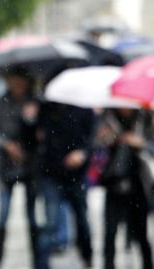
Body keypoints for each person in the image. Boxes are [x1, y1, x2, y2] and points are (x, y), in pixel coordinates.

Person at [0, 67, 39, 269]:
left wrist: (30, 120)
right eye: (14, 81)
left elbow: (40, 134)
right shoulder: (2, 101)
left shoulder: (34, 101)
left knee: (33, 217)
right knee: (2, 215)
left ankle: (38, 260)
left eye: (21, 81)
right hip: (6, 166)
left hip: (30, 165)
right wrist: (7, 145)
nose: (17, 85)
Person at [96, 109, 154, 269]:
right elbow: (96, 149)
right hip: (114, 182)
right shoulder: (107, 118)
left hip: (138, 183)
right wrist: (109, 139)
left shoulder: (146, 118)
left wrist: (140, 142)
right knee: (110, 232)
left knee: (142, 234)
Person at [36, 100, 96, 269]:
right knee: (50, 222)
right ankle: (42, 264)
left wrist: (82, 154)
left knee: (82, 220)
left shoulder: (84, 108)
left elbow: (91, 139)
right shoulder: (47, 106)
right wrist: (30, 120)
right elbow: (37, 136)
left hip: (76, 175)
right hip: (51, 173)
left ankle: (87, 256)